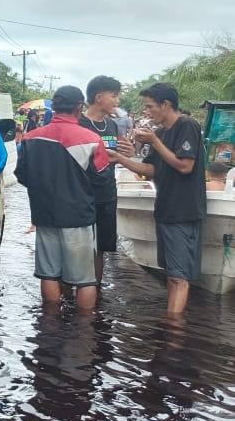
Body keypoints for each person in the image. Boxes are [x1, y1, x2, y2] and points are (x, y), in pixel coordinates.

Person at [109, 83, 206, 314]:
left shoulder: (187, 125)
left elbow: (185, 166)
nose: (147, 112)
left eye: (150, 106)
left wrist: (154, 142)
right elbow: (151, 170)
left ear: (166, 104)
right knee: (171, 274)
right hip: (165, 209)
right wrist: (121, 159)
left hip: (183, 211)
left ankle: (173, 330)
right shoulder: (161, 133)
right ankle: (172, 324)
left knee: (178, 277)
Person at [15, 86, 110, 309]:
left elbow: (22, 175)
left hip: (44, 215)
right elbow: (102, 180)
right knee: (85, 280)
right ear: (79, 107)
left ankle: (50, 322)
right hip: (79, 217)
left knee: (48, 274)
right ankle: (84, 326)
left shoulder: (30, 138)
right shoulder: (92, 140)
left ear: (55, 107)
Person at [77, 75, 135, 286]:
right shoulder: (79, 123)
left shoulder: (111, 125)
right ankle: (71, 293)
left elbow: (120, 152)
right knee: (77, 247)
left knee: (100, 248)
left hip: (107, 194)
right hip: (81, 195)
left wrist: (129, 151)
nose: (118, 101)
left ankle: (95, 292)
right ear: (98, 97)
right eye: (114, 96)